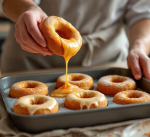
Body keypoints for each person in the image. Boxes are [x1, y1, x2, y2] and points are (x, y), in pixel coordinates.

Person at [0, 0, 150, 80]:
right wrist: (28, 8)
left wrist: (139, 47)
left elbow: (143, 11)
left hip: (109, 62)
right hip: (31, 58)